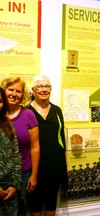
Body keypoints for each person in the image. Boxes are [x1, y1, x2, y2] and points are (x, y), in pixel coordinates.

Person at [27, 75, 68, 216]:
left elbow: (62, 138)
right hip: (34, 168)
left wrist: (64, 165)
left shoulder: (57, 111)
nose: (44, 90)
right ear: (33, 90)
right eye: (40, 86)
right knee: (35, 207)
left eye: (47, 86)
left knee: (51, 205)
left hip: (54, 167)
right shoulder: (26, 112)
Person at [1, 77, 40, 216]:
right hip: (1, 175)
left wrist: (34, 175)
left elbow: (35, 147)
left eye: (18, 91)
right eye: (10, 89)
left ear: (22, 95)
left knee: (20, 210)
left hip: (24, 173)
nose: (14, 94)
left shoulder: (28, 115)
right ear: (3, 91)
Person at [0, 87, 22, 216]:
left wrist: (14, 185)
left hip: (9, 193)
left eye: (0, 101)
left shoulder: (7, 125)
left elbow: (16, 157)